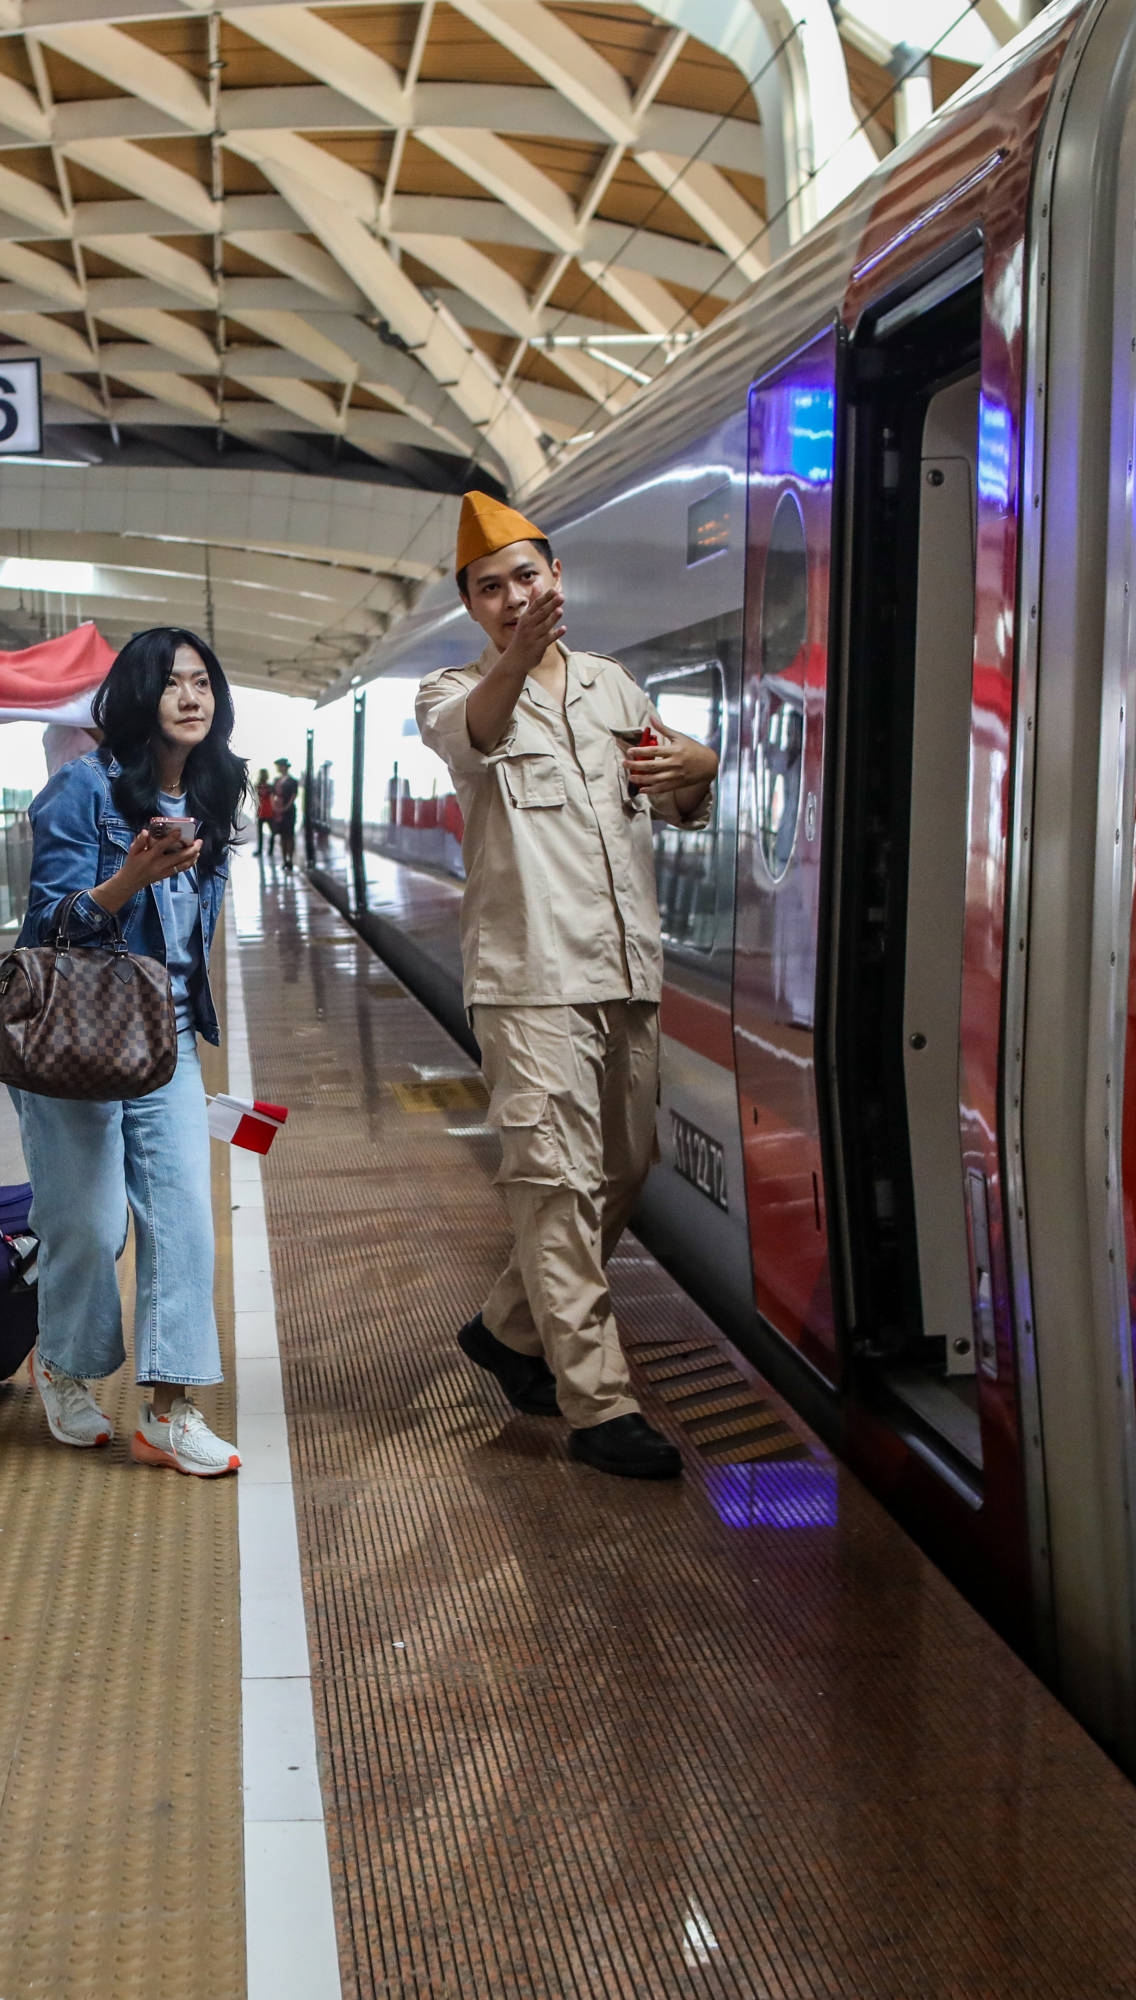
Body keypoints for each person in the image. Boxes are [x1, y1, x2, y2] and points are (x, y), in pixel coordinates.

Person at [415, 494, 720, 1481]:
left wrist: (700, 766)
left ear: (558, 579)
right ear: (472, 606)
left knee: (626, 1166)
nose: (512, 597)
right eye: (490, 586)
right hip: (530, 979)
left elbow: (670, 796)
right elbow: (477, 731)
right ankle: (599, 1404)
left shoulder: (611, 687)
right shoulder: (450, 691)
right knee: (556, 1185)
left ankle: (507, 1331)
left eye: (526, 576)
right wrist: (514, 657)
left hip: (624, 969)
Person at [12, 627, 246, 1478]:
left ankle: (171, 1410)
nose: (192, 696)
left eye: (204, 683)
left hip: (166, 1042)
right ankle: (64, 1362)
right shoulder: (81, 791)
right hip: (75, 1039)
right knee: (90, 1224)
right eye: (174, 682)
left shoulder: (217, 794)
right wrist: (128, 881)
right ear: (138, 695)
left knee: (183, 1219)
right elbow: (47, 929)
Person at [271, 757, 301, 867]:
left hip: (289, 811)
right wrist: (275, 807)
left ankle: (290, 859)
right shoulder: (276, 781)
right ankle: (284, 860)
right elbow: (272, 795)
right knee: (282, 835)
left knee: (290, 835)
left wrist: (285, 807)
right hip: (278, 811)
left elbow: (293, 796)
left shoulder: (292, 781)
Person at [253, 765, 280, 864]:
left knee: (272, 831)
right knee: (262, 832)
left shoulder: (269, 787)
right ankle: (265, 850)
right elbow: (256, 799)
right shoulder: (259, 786)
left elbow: (272, 798)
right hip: (263, 811)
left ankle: (269, 850)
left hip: (268, 811)